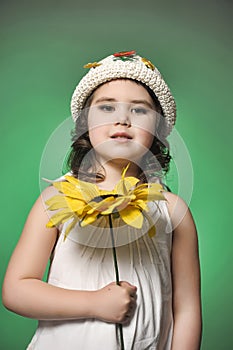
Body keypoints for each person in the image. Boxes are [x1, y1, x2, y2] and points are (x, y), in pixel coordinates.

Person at [2, 50, 202, 349]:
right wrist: (95, 303)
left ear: (158, 129)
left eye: (139, 110)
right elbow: (16, 291)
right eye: (107, 108)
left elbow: (187, 310)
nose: (122, 119)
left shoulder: (172, 212)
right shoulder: (55, 200)